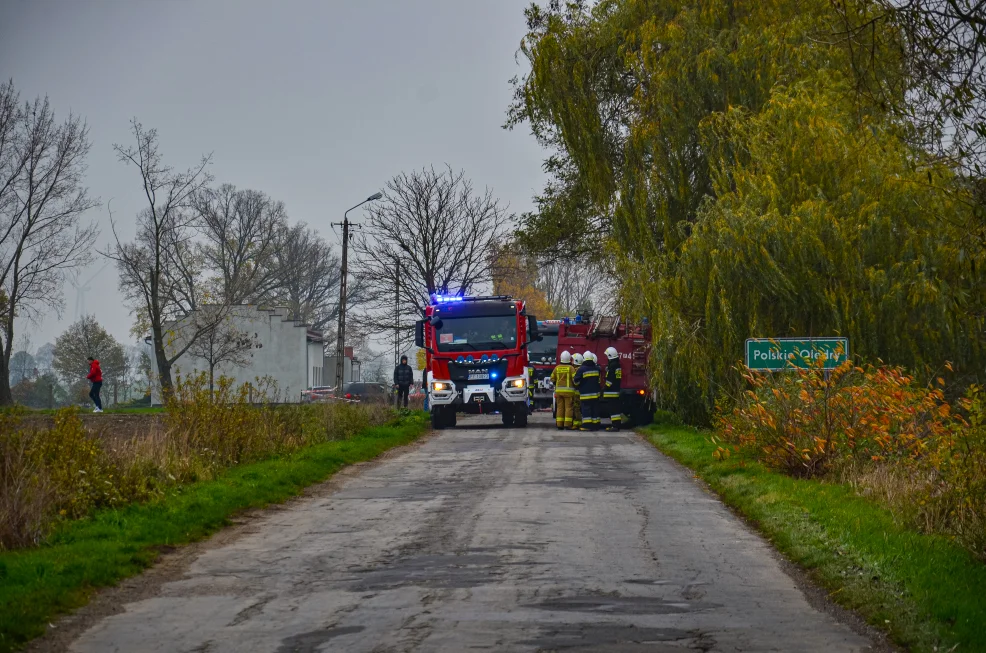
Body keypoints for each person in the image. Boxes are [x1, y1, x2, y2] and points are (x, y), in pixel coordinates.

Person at [574, 351, 602, 431]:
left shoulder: (581, 369)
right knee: (594, 409)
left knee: (586, 409)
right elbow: (599, 381)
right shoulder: (597, 369)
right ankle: (595, 425)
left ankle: (587, 425)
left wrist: (579, 386)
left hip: (585, 394)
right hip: (596, 394)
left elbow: (576, 381)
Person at [550, 350, 576, 430]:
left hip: (558, 392)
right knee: (568, 408)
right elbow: (575, 379)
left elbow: (552, 379)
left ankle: (559, 425)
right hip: (569, 392)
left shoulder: (557, 368)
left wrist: (556, 384)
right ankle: (567, 425)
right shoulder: (571, 368)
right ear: (569, 359)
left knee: (560, 408)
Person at [602, 346, 623, 431]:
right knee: (615, 409)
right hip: (616, 390)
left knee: (613, 409)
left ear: (610, 356)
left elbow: (610, 380)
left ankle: (615, 426)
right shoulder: (617, 365)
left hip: (611, 391)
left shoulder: (613, 365)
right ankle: (616, 425)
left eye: (607, 355)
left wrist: (605, 388)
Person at [570, 353, 584, 429]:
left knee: (576, 407)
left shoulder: (576, 370)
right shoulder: (581, 369)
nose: (571, 362)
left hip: (577, 392)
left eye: (572, 360)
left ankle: (577, 423)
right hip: (580, 392)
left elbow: (575, 382)